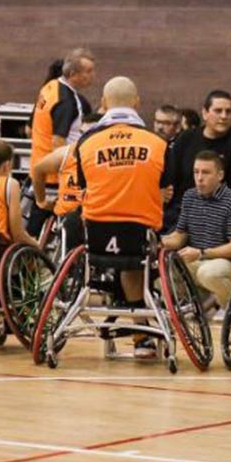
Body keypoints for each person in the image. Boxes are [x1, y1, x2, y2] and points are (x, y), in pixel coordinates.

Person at [74, 76, 171, 358]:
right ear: (137, 103)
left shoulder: (86, 142)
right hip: (139, 233)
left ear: (103, 104)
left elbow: (83, 188)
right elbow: (166, 188)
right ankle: (143, 335)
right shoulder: (158, 142)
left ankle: (140, 334)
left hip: (96, 234)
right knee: (135, 262)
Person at [162, 150, 231, 311]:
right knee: (166, 265)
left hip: (227, 263)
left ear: (220, 175)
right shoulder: (189, 196)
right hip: (197, 260)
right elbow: (179, 236)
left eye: (206, 172)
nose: (200, 178)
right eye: (196, 172)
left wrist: (201, 253)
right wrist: (159, 241)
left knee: (207, 273)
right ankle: (193, 309)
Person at [27, 47, 95, 235]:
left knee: (35, 227)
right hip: (54, 176)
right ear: (73, 74)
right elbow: (58, 142)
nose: (93, 76)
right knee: (61, 228)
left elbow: (30, 127)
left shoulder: (50, 87)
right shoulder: (67, 101)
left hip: (40, 165)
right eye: (88, 71)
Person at [165, 89, 231, 228]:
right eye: (218, 111)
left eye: (228, 111)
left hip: (219, 217)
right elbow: (171, 178)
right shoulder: (186, 139)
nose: (224, 116)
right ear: (205, 113)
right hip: (181, 212)